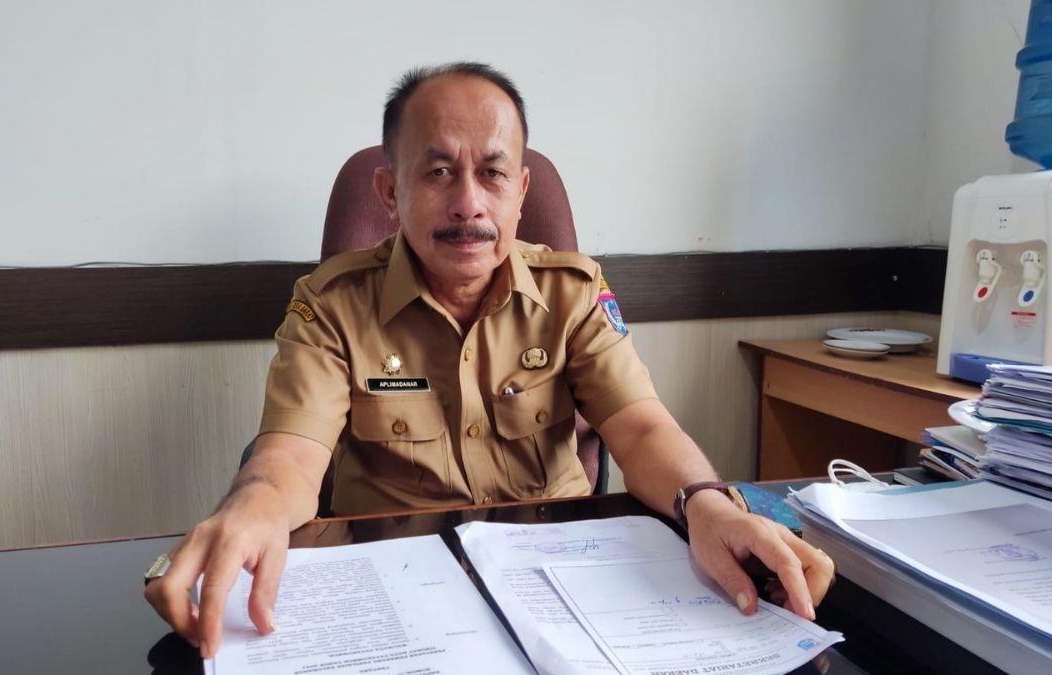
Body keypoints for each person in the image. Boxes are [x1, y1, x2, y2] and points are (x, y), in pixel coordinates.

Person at [145, 62, 835, 659]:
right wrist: (256, 506)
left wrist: (706, 504)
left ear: (521, 191)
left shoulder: (572, 292)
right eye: (439, 172)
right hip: (397, 595)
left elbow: (642, 427)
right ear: (390, 192)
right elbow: (290, 459)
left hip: (568, 589)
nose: (468, 204)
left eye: (493, 173)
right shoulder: (331, 305)